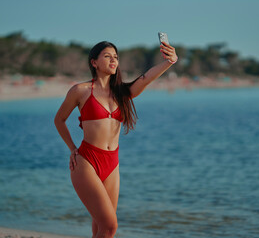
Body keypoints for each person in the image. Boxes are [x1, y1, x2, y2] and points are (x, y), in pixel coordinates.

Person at [54, 40, 177, 238]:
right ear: (94, 62)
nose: (114, 60)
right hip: (87, 161)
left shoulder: (121, 93)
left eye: (116, 57)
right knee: (110, 227)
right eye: (108, 56)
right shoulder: (81, 91)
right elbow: (59, 120)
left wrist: (170, 61)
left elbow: (145, 79)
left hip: (112, 163)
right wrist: (71, 148)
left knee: (100, 228)